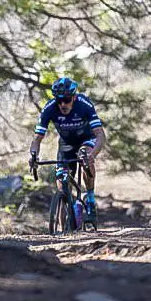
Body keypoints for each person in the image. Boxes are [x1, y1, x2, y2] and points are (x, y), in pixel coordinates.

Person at [28, 77, 108, 224]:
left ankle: (90, 199)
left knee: (85, 154)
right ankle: (62, 230)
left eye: (66, 99)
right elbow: (37, 139)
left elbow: (100, 135)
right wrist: (33, 155)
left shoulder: (84, 105)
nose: (63, 104)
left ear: (74, 97)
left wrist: (93, 154)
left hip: (86, 139)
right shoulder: (49, 108)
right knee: (61, 183)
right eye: (59, 100)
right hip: (66, 144)